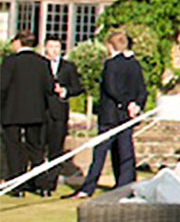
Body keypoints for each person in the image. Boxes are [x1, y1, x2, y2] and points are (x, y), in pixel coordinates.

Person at [74, 31, 145, 198]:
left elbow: (111, 88)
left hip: (111, 116)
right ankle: (125, 186)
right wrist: (135, 105)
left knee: (101, 152)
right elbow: (142, 90)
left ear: (110, 46)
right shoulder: (134, 64)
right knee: (125, 151)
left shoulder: (111, 64)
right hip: (127, 115)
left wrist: (126, 104)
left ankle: (88, 187)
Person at [1, 33, 53, 196]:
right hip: (35, 112)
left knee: (13, 150)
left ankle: (17, 187)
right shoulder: (42, 63)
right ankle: (42, 185)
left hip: (12, 112)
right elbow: (49, 88)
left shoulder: (10, 62)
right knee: (36, 150)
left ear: (18, 42)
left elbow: (2, 87)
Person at [42, 38, 80, 196]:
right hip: (41, 111)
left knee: (55, 149)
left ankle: (50, 184)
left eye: (57, 46)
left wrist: (64, 91)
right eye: (51, 46)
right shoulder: (39, 65)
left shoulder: (68, 67)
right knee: (38, 148)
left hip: (59, 112)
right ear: (45, 48)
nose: (54, 50)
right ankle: (39, 182)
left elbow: (77, 87)